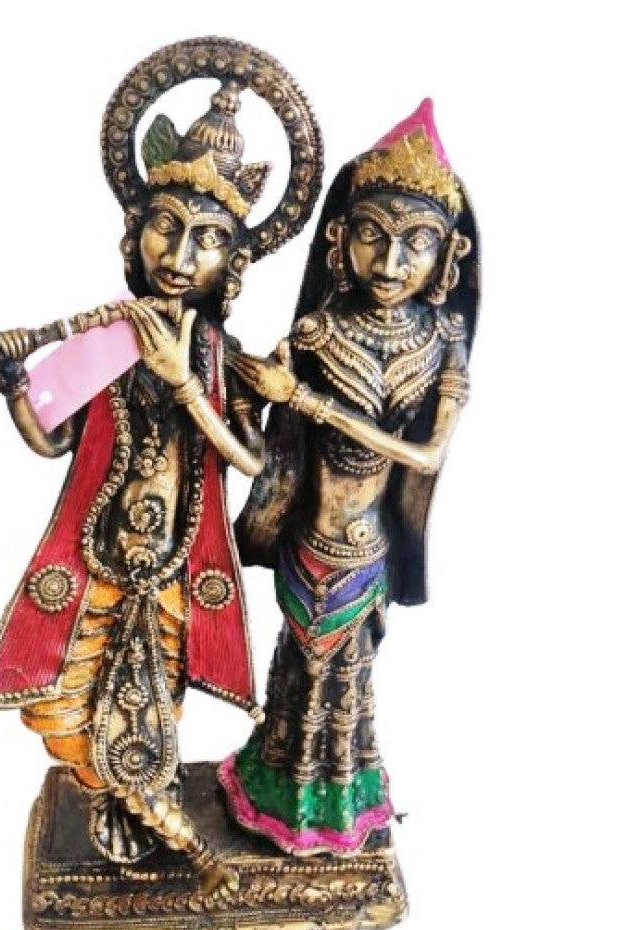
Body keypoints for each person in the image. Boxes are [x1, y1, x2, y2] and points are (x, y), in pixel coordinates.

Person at [0, 57, 322, 897]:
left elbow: (253, 461)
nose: (179, 255)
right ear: (134, 236)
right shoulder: (107, 341)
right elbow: (51, 440)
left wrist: (187, 384)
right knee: (71, 694)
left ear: (234, 262)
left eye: (206, 239)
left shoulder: (220, 359)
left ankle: (153, 810)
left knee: (158, 691)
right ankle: (121, 802)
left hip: (176, 568)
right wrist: (13, 385)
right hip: (96, 554)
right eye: (165, 228)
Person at [219, 99, 480, 855]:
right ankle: (275, 791)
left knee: (348, 683)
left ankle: (335, 807)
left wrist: (304, 400)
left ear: (449, 256)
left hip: (368, 549)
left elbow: (425, 457)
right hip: (308, 540)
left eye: (415, 244)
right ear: (339, 240)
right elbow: (262, 438)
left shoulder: (442, 343)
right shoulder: (317, 332)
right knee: (296, 675)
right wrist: (246, 397)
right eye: (372, 236)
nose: (390, 264)